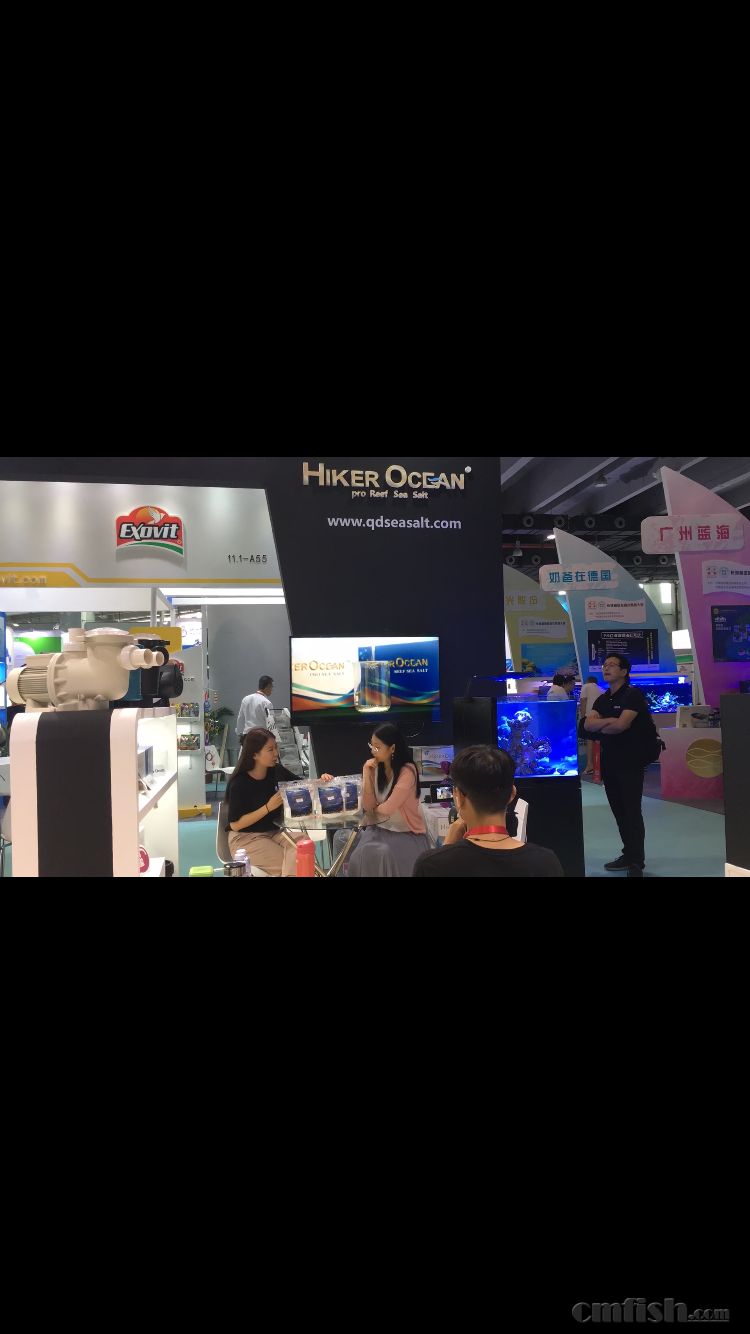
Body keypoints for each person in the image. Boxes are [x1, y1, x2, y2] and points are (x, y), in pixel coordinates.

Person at [412, 745, 564, 878]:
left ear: (459, 797)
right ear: (512, 794)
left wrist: (445, 851)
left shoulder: (431, 865)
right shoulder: (546, 862)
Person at [328, 723, 432, 876]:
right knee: (355, 851)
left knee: (378, 853)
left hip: (405, 832)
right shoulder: (375, 768)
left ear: (392, 748)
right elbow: (368, 806)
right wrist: (366, 773)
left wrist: (374, 810)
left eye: (377, 747)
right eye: (372, 746)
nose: (373, 751)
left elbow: (388, 808)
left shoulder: (408, 771)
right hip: (378, 829)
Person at [582, 654, 652, 876]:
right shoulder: (603, 699)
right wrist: (610, 722)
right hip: (610, 762)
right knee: (619, 811)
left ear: (624, 671)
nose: (606, 668)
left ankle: (636, 862)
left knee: (631, 811)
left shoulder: (633, 695)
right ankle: (628, 853)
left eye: (612, 665)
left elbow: (621, 726)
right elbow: (587, 725)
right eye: (604, 665)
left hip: (631, 762)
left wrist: (604, 725)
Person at [225, 727, 302, 876]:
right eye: (270, 749)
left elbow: (300, 784)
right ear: (255, 754)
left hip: (274, 833)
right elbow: (235, 824)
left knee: (303, 845)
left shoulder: (276, 771)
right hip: (246, 838)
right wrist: (268, 807)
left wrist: (321, 781)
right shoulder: (239, 783)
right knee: (292, 863)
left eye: (276, 748)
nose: (276, 753)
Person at [236, 676, 280, 744]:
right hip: (261, 738)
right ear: (268, 686)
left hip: (247, 736)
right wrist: (275, 739)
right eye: (272, 687)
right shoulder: (266, 703)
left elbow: (240, 718)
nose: (272, 690)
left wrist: (240, 734)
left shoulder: (246, 699)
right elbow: (271, 723)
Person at [578, 675, 602, 774]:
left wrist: (583, 716)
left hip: (589, 717)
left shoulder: (586, 686)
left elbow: (583, 700)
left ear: (587, 681)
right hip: (600, 718)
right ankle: (598, 765)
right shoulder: (602, 689)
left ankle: (590, 765)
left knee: (589, 739)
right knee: (598, 740)